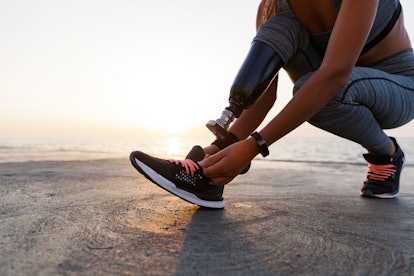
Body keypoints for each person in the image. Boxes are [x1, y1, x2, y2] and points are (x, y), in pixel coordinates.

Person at [130, 0, 414, 209]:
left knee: (320, 91)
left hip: (399, 86)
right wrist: (224, 145)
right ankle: (208, 176)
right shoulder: (272, 7)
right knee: (279, 27)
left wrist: (254, 146)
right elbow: (264, 94)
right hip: (333, 81)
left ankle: (386, 153)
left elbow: (334, 76)